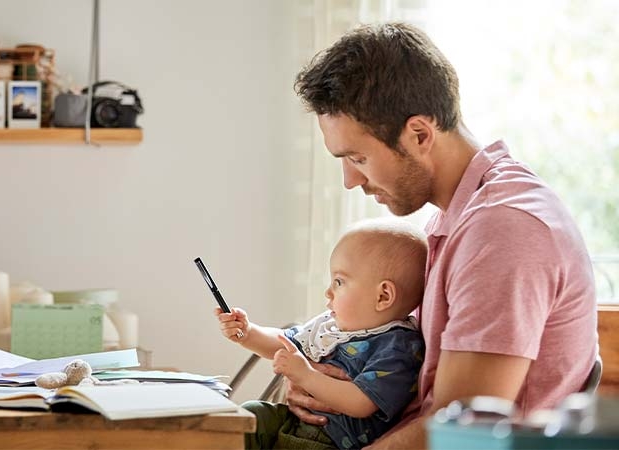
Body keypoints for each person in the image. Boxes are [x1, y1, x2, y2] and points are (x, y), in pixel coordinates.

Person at [287, 22, 598, 449]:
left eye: (358, 157)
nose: (349, 181)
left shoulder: (503, 229)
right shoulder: (457, 219)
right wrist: (323, 386)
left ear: (419, 134)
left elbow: (459, 435)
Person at [217, 218, 428, 449]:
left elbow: (361, 402)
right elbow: (284, 342)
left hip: (333, 441)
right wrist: (247, 332)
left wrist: (306, 375)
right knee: (251, 414)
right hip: (296, 422)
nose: (328, 292)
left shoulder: (399, 346)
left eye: (339, 281)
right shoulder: (332, 324)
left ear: (383, 296)